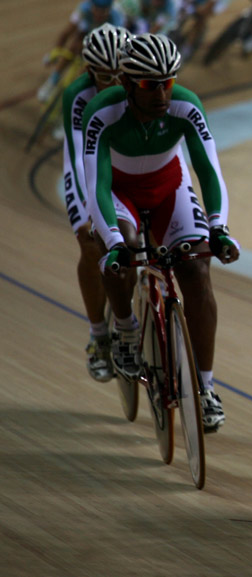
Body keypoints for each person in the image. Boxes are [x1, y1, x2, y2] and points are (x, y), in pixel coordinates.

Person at [81, 33, 241, 432]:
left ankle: (205, 387)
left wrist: (219, 228)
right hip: (119, 192)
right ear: (126, 83)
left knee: (197, 270)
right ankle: (125, 329)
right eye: (150, 85)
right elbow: (97, 185)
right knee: (124, 249)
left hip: (169, 186)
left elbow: (209, 170)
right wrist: (113, 243)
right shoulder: (102, 112)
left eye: (167, 83)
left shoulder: (186, 105)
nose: (162, 94)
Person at [61, 23, 131, 382]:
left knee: (137, 245)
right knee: (91, 244)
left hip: (126, 164)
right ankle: (99, 335)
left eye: (121, 74)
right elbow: (77, 158)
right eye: (106, 76)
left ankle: (131, 320)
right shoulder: (78, 95)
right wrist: (90, 212)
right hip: (87, 167)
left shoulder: (139, 83)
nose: (116, 83)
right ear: (90, 71)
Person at [38, 0, 127, 102]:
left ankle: (78, 91)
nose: (99, 15)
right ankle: (53, 80)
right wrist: (55, 53)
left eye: (103, 12)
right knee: (73, 46)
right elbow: (66, 33)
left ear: (109, 10)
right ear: (91, 6)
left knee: (89, 68)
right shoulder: (83, 9)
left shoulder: (117, 20)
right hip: (88, 31)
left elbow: (112, 49)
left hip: (105, 41)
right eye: (96, 10)